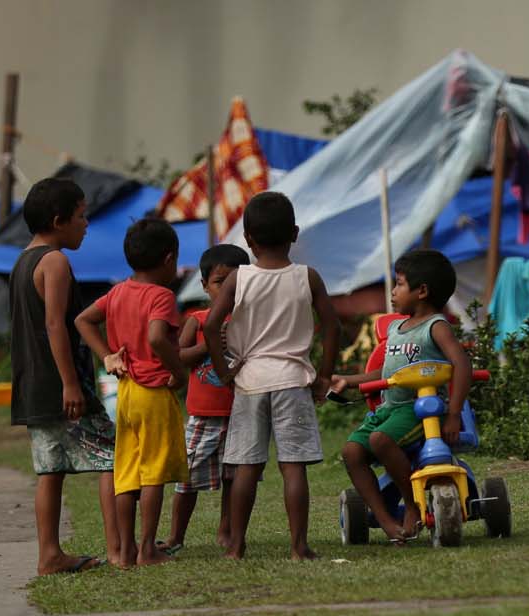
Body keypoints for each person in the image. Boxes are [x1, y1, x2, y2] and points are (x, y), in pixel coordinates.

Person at [205, 192, 340, 561]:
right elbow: (332, 323)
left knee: (245, 467)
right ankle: (298, 546)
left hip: (249, 381)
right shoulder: (306, 277)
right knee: (292, 467)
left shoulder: (239, 278)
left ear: (247, 239)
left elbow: (211, 325)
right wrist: (325, 375)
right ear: (295, 233)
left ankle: (236, 545)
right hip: (293, 380)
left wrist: (224, 372)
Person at [8, 177, 120, 574]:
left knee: (50, 470)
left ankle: (50, 554)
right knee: (112, 456)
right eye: (80, 216)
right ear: (58, 221)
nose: (86, 224)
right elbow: (56, 324)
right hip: (62, 385)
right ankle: (119, 549)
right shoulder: (54, 261)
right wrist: (71, 383)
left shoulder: (22, 261)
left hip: (33, 386)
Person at [330, 249, 471, 545]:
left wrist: (455, 413)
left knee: (381, 440)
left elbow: (461, 363)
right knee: (351, 452)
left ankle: (411, 504)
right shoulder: (395, 327)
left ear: (421, 291)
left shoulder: (436, 326)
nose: (392, 291)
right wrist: (349, 380)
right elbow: (385, 371)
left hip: (420, 410)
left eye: (399, 284)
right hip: (389, 409)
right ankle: (384, 517)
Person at [75, 217, 188, 567]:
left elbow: (83, 320)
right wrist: (178, 370)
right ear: (169, 259)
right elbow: (157, 337)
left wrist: (107, 355)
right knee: (153, 473)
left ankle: (124, 552)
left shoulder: (118, 291)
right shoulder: (162, 296)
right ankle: (148, 549)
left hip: (125, 394)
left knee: (127, 471)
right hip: (153, 393)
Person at [165, 244, 250, 554]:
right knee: (187, 479)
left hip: (241, 412)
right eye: (219, 282)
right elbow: (179, 356)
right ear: (204, 285)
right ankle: (176, 536)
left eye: (235, 282)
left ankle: (226, 529)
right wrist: (207, 345)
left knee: (235, 476)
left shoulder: (247, 320)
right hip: (203, 415)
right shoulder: (198, 320)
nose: (227, 288)